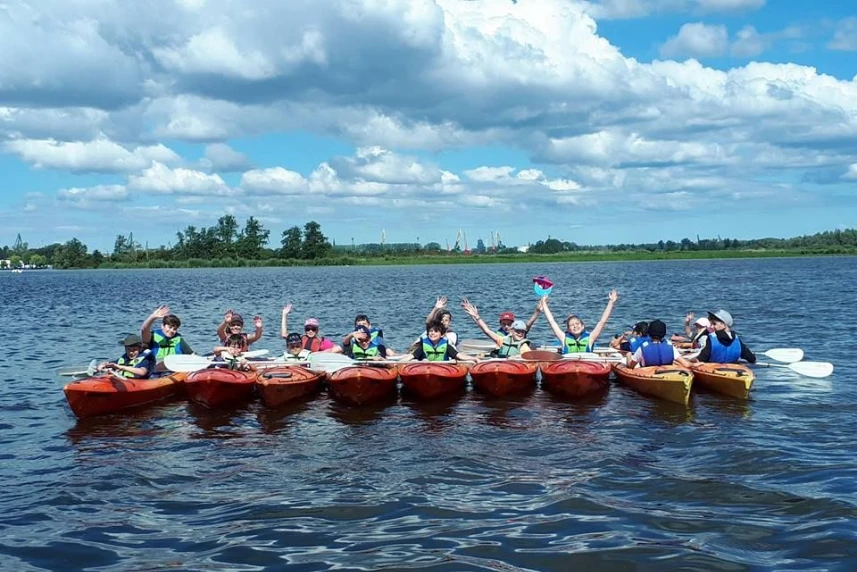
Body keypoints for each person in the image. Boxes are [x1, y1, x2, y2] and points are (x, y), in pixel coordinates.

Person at [542, 290, 619, 354]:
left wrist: (611, 302)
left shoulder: (590, 338)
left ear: (582, 326)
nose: (575, 326)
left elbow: (602, 322)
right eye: (572, 325)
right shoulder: (563, 338)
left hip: (585, 365)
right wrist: (544, 303)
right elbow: (552, 322)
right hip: (568, 365)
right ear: (568, 329)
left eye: (577, 323)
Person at [461, 299, 534, 357]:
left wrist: (537, 311)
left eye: (522, 331)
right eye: (517, 331)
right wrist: (476, 316)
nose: (520, 333)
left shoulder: (524, 346)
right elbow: (487, 331)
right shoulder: (503, 340)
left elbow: (528, 325)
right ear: (512, 331)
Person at [399, 320, 477, 362]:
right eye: (431, 331)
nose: (432, 333)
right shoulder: (423, 347)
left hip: (442, 370)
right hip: (426, 369)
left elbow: (460, 356)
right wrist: (397, 363)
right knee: (424, 360)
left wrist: (474, 359)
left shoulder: (447, 347)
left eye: (436, 331)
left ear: (442, 335)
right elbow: (410, 357)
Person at [627, 320, 692, 368]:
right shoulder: (670, 346)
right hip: (666, 373)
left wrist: (628, 356)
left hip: (648, 372)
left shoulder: (643, 348)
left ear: (649, 333)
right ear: (664, 333)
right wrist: (695, 364)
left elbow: (631, 366)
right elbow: (686, 364)